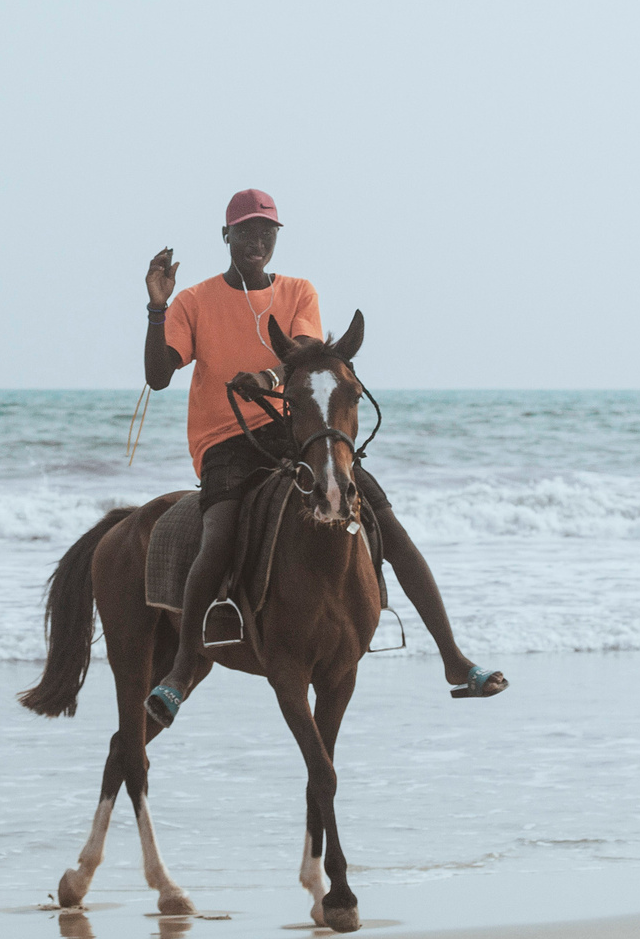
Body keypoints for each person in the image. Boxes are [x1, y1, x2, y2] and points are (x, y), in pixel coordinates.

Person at [140, 187, 507, 727]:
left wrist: (266, 378)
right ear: (227, 237)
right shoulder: (194, 301)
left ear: (276, 237)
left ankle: (454, 659)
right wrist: (156, 306)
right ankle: (180, 669)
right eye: (245, 231)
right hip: (226, 442)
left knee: (386, 523)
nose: (256, 240)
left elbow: (307, 360)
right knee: (218, 532)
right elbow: (157, 375)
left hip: (297, 433)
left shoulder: (298, 292)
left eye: (266, 231)